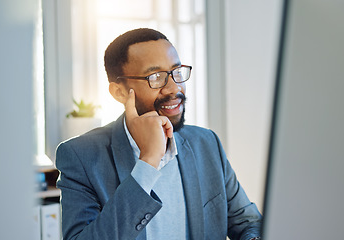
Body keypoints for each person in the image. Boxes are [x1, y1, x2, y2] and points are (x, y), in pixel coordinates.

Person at [56, 28, 262, 240]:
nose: (174, 88)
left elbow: (248, 223)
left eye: (176, 72)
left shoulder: (206, 143)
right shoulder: (81, 156)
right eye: (156, 77)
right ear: (119, 92)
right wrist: (148, 163)